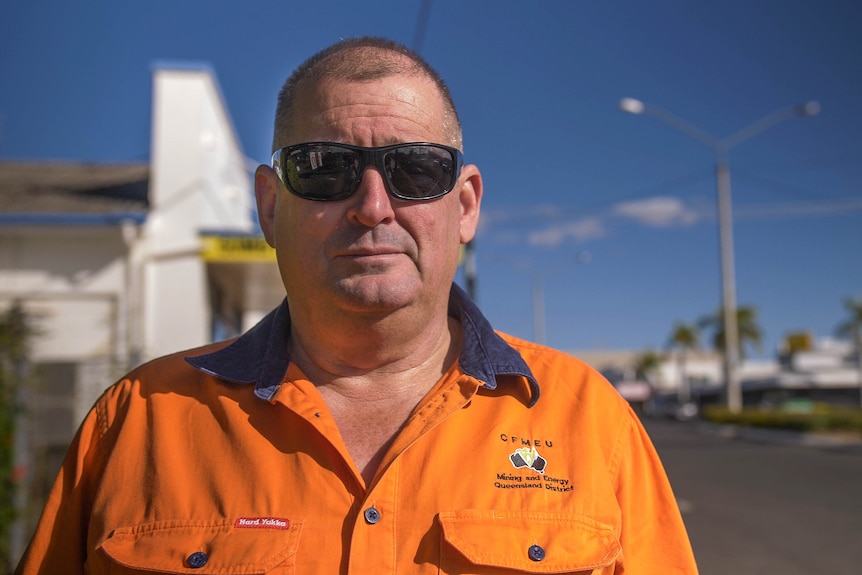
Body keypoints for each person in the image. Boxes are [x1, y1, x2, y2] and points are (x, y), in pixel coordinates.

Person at [16, 37, 697, 574]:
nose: (373, 206)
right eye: (323, 168)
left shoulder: (591, 420)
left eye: (416, 169)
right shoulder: (136, 423)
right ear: (269, 205)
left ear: (464, 206)